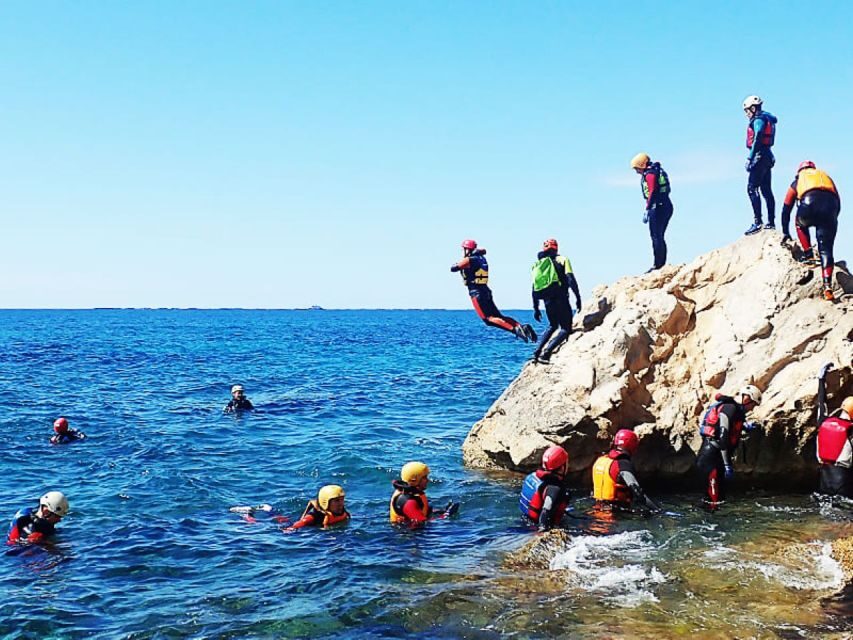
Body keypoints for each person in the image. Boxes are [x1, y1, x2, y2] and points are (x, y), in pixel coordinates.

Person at [451, 239, 536, 342]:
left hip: (476, 292)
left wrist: (459, 262)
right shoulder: (481, 258)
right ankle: (521, 326)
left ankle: (515, 330)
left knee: (488, 319)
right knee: (498, 316)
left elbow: (454, 268)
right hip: (485, 290)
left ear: (467, 249)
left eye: (464, 249)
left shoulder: (470, 260)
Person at [779, 161, 842, 301]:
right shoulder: (825, 176)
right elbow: (838, 200)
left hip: (808, 204)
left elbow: (786, 208)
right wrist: (832, 219)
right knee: (826, 250)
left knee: (800, 224)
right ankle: (827, 286)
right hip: (830, 207)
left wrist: (785, 232)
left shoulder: (798, 180)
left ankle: (809, 256)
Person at [695, 385, 762, 507]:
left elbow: (732, 427)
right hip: (710, 457)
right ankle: (707, 523)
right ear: (747, 399)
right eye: (753, 405)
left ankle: (714, 523)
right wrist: (727, 464)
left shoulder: (736, 412)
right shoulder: (729, 408)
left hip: (717, 457)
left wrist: (745, 426)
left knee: (720, 498)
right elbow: (723, 436)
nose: (752, 409)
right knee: (713, 500)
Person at [531, 239, 582, 364]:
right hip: (561, 298)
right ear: (556, 248)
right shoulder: (562, 260)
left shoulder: (538, 265)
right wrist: (578, 297)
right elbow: (570, 279)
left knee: (552, 325)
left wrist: (536, 308)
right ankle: (546, 353)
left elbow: (534, 288)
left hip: (547, 300)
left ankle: (536, 352)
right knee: (565, 328)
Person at [592, 429, 659, 513]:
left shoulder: (600, 460)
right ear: (632, 445)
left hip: (597, 510)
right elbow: (636, 491)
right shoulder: (623, 464)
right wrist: (657, 510)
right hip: (615, 515)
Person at [630, 153, 674, 271]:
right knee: (659, 236)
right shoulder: (656, 170)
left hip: (658, 208)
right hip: (666, 206)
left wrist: (648, 208)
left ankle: (658, 265)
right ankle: (660, 263)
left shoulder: (650, 174)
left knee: (656, 237)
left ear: (642, 165)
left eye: (637, 168)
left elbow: (653, 191)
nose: (637, 171)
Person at [815, 362, 853, 497]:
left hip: (823, 481)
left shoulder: (823, 422)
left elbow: (821, 403)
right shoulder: (850, 430)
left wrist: (821, 380)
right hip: (842, 481)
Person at [742, 95, 778, 235]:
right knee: (766, 190)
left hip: (760, 156)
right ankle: (771, 222)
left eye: (747, 111)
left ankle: (758, 222)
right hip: (767, 155)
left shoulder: (758, 120)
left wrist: (750, 157)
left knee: (752, 188)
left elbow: (758, 137)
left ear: (752, 108)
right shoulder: (766, 117)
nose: (746, 114)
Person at [519, 445, 572, 530]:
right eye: (567, 462)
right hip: (535, 528)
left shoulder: (535, 476)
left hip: (524, 521)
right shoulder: (555, 489)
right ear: (562, 467)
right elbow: (545, 512)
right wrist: (544, 535)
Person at [390, 461, 458, 526]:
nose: (428, 480)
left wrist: (442, 511)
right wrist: (446, 515)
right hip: (413, 534)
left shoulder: (412, 492)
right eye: (424, 478)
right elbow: (423, 523)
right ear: (414, 480)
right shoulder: (408, 502)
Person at [285, 485, 351, 531]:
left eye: (342, 499)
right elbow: (299, 524)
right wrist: (291, 528)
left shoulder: (343, 512)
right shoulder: (313, 517)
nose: (341, 503)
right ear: (326, 503)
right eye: (336, 501)